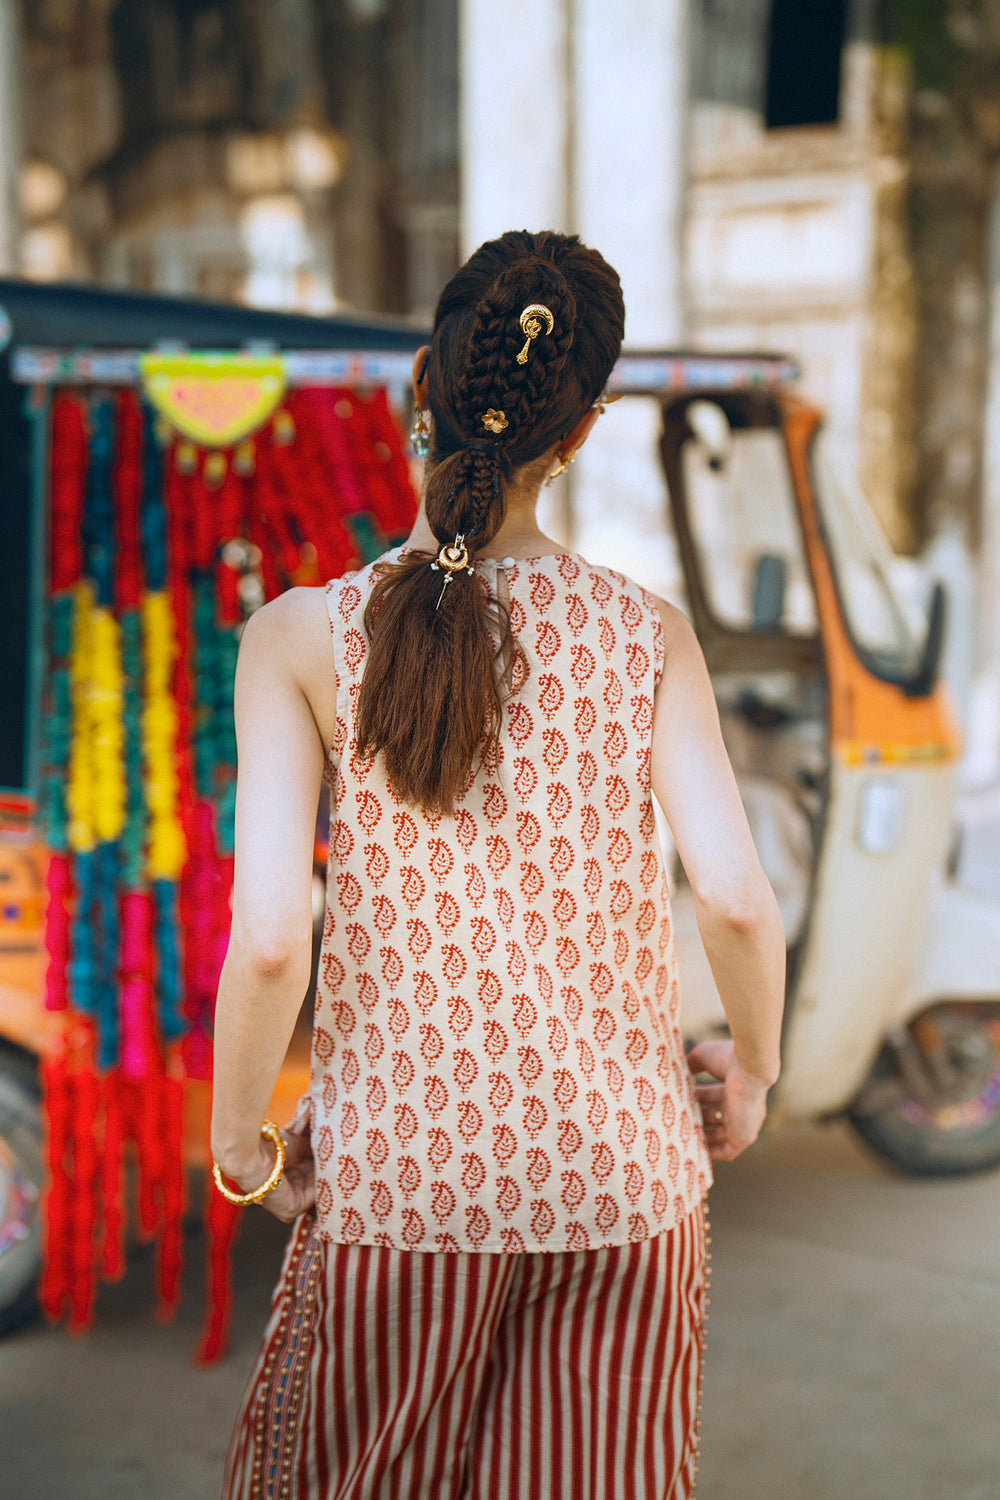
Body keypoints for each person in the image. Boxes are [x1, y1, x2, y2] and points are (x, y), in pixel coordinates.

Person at [211, 229, 785, 1500]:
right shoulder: (650, 637)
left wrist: (240, 1148)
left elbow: (266, 941)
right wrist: (751, 1075)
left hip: (402, 1185)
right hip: (624, 1183)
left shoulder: (301, 637)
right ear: (580, 432)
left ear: (421, 382)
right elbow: (739, 901)